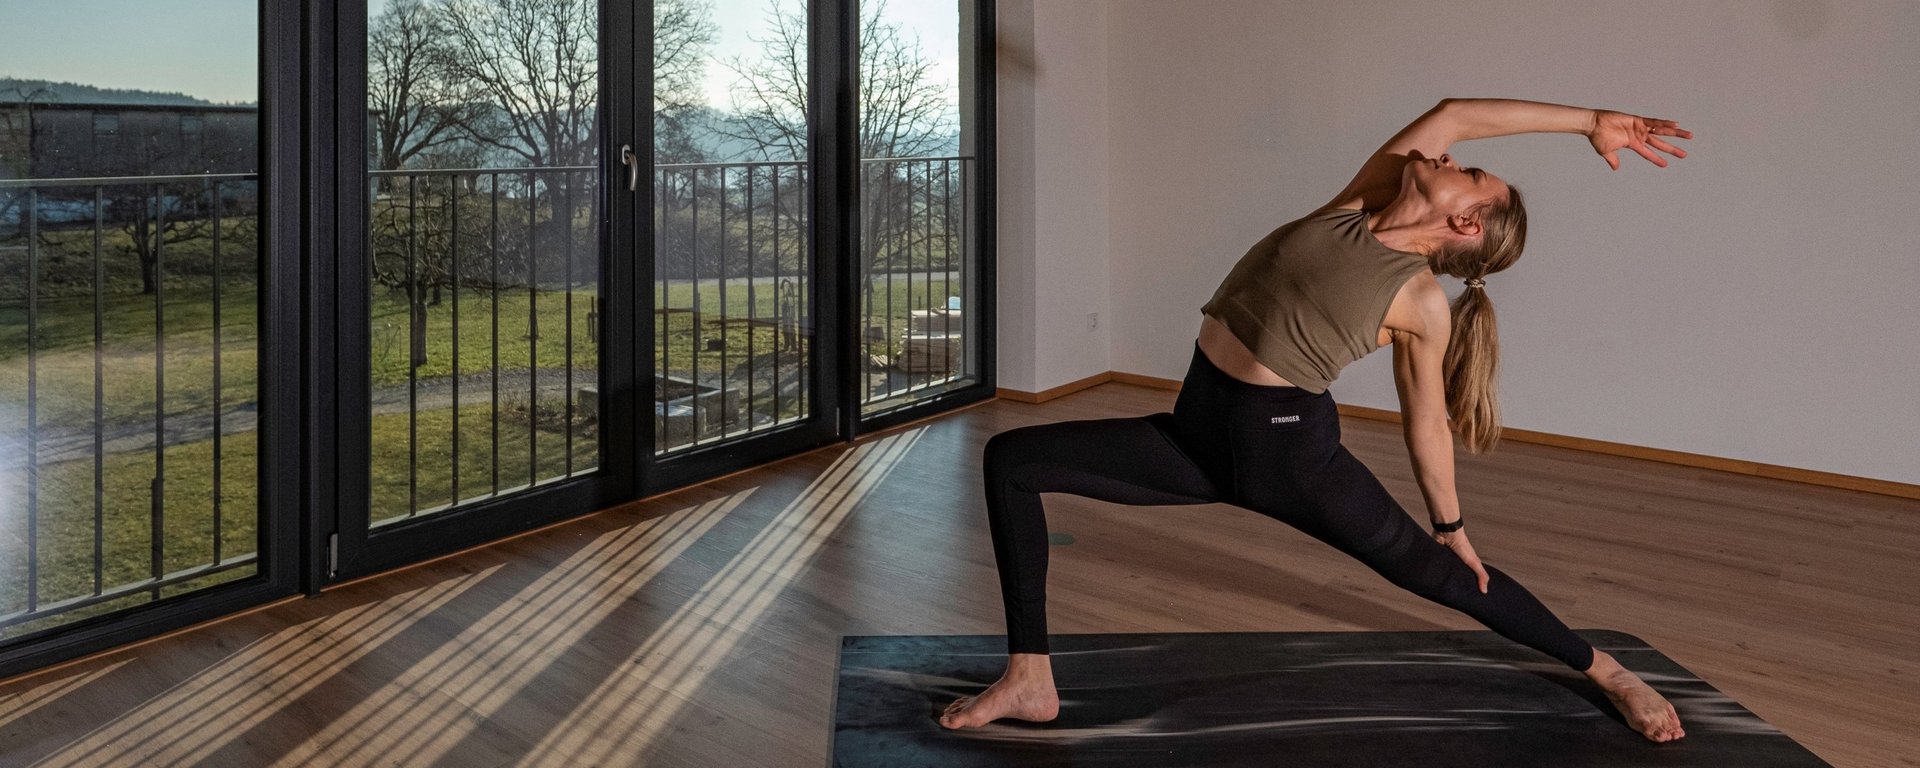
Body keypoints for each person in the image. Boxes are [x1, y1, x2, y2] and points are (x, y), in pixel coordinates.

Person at [939, 98, 1694, 743]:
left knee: (1449, 578)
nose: (1454, 154)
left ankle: (1608, 671)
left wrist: (1451, 523)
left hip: (1292, 458)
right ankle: (1029, 679)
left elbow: (1424, 421)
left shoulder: (1419, 300)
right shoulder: (1358, 203)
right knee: (1013, 460)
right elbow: (1460, 109)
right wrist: (1591, 121)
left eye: (1468, 172)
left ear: (1464, 219)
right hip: (1192, 436)